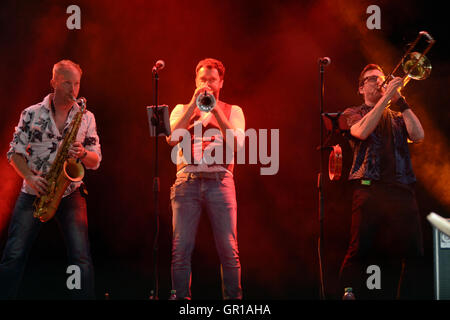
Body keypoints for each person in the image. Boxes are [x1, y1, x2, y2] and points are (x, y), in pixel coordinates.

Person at [0, 60, 102, 299]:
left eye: (76, 84)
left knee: (81, 257)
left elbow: (96, 161)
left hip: (70, 191)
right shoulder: (31, 113)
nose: (73, 89)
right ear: (53, 82)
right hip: (34, 191)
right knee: (13, 254)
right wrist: (30, 178)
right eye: (67, 83)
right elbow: (14, 152)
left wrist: (83, 154)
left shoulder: (86, 117)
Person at [339, 64, 425, 299]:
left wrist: (401, 101)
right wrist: (387, 96)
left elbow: (418, 136)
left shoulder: (397, 117)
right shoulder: (353, 112)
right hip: (369, 188)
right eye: (372, 79)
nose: (379, 82)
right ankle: (350, 293)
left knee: (412, 250)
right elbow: (362, 132)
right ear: (360, 87)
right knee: (360, 248)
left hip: (400, 190)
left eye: (381, 78)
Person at [167, 58, 245, 300]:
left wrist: (217, 112)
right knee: (180, 250)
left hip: (220, 182)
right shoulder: (182, 108)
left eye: (212, 80)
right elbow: (171, 138)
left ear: (221, 82)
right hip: (186, 182)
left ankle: (234, 301)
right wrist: (194, 104)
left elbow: (238, 145)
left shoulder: (234, 111)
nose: (207, 84)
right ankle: (181, 300)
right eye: (203, 79)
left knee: (229, 250)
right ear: (196, 81)